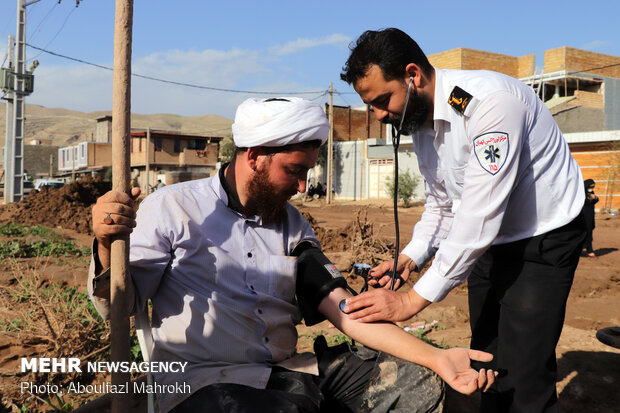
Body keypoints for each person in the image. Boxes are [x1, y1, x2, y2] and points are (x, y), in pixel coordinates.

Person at [89, 97, 495, 413]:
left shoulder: (294, 226)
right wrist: (107, 245)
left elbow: (345, 310)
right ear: (254, 157)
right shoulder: (173, 208)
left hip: (288, 374)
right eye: (294, 171)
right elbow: (117, 306)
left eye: (307, 173)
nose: (303, 186)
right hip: (201, 383)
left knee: (413, 382)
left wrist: (438, 358)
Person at [339, 28, 586, 413]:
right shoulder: (419, 123)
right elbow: (442, 204)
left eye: (383, 100)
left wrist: (409, 301)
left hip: (544, 234)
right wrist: (412, 257)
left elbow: (477, 217)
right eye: (371, 106)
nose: (379, 115)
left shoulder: (488, 105)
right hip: (491, 242)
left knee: (524, 368)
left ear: (413, 74)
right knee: (484, 352)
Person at [583, 179, 599, 258]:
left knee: (589, 233)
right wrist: (590, 198)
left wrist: (594, 197)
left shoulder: (590, 193)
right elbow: (584, 201)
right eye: (590, 187)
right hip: (582, 217)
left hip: (590, 217)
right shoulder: (581, 193)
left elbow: (596, 199)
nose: (591, 189)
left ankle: (589, 250)